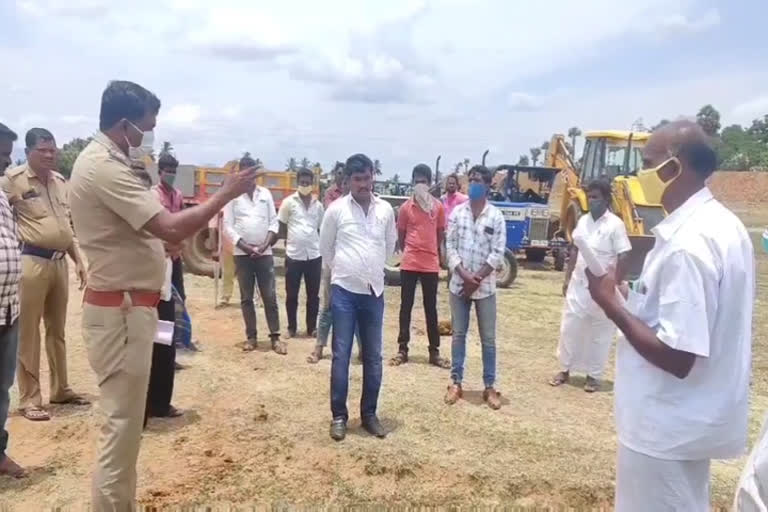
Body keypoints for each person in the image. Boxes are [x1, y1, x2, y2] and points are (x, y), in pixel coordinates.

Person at [69, 80, 256, 510]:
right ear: (124, 125)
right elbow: (169, 226)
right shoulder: (103, 166)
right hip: (120, 314)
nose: (148, 136)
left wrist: (159, 245)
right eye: (146, 127)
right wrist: (223, 195)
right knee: (120, 429)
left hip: (130, 311)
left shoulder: (111, 160)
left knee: (128, 429)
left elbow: (145, 231)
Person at [585, 121, 754, 512]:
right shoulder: (723, 226)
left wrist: (609, 303)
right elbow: (689, 317)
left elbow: (678, 355)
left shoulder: (688, 245)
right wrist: (631, 299)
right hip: (691, 420)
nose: (637, 174)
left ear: (673, 168)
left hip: (664, 427)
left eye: (646, 163)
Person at [0, 128, 89, 422]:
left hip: (60, 262)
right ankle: (29, 398)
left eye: (53, 150)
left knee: (57, 329)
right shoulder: (12, 181)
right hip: (31, 262)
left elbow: (68, 226)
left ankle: (61, 388)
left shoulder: (61, 182)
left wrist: (79, 260)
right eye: (43, 150)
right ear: (28, 152)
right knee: (28, 332)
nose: (50, 155)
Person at [319, 153, 396, 441]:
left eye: (367, 178)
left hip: (373, 293)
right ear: (348, 181)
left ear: (372, 177)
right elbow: (326, 248)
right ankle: (339, 416)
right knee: (341, 356)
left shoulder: (385, 210)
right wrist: (346, 271)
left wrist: (371, 268)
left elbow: (389, 246)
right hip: (344, 294)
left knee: (373, 357)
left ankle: (369, 415)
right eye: (357, 179)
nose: (364, 184)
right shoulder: (336, 210)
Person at [549, 179, 631, 392]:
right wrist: (567, 279)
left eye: (596, 197)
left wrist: (614, 283)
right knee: (569, 328)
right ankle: (564, 370)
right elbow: (575, 250)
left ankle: (593, 377)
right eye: (590, 197)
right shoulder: (583, 220)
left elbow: (624, 255)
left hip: (603, 286)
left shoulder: (615, 224)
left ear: (605, 199)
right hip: (579, 284)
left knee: (600, 332)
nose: (592, 200)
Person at [444, 165, 506, 410]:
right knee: (458, 335)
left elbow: (497, 254)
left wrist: (475, 280)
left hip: (485, 289)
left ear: (489, 185)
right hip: (459, 286)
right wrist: (464, 276)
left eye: (478, 180)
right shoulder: (457, 213)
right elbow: (449, 247)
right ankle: (456, 382)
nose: (473, 184)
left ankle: (489, 387)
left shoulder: (496, 217)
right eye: (470, 180)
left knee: (488, 339)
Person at [389, 164, 449, 369]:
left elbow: (440, 233)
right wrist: (411, 250)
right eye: (417, 181)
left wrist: (432, 250)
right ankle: (402, 349)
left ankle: (434, 351)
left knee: (430, 308)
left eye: (423, 181)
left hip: (430, 264)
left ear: (430, 184)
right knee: (405, 306)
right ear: (412, 183)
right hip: (410, 262)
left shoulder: (438, 208)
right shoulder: (406, 208)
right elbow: (401, 234)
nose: (420, 185)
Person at [223, 156, 284, 354]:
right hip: (243, 255)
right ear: (240, 173)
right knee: (246, 297)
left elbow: (274, 223)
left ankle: (275, 337)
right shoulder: (232, 197)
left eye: (253, 173)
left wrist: (265, 245)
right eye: (246, 172)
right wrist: (248, 248)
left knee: (269, 295)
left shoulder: (265, 194)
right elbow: (227, 227)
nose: (250, 177)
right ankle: (251, 337)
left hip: (264, 253)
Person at [307, 173, 361, 364]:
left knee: (358, 308)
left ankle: (363, 351)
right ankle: (319, 348)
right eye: (344, 182)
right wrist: (332, 263)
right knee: (328, 307)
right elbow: (325, 239)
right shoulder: (333, 205)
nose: (347, 185)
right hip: (334, 264)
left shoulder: (363, 207)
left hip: (357, 266)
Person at [0, 123, 24, 478]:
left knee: (1, 386)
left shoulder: (2, 193)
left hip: (8, 306)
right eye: (2, 154)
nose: (6, 163)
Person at [277, 167, 323, 338]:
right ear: (298, 183)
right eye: (302, 182)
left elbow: (321, 229)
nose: (305, 185)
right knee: (292, 294)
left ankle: (311, 328)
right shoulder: (288, 202)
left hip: (314, 255)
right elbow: (281, 225)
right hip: (294, 255)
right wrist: (288, 242)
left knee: (313, 295)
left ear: (312, 184)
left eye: (308, 183)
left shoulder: (318, 206)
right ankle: (291, 328)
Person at [152, 152, 186, 299]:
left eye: (174, 172)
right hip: (161, 255)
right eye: (168, 172)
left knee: (179, 295)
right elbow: (153, 227)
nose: (171, 175)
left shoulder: (178, 195)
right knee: (162, 296)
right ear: (160, 172)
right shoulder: (154, 195)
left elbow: (184, 220)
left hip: (176, 255)